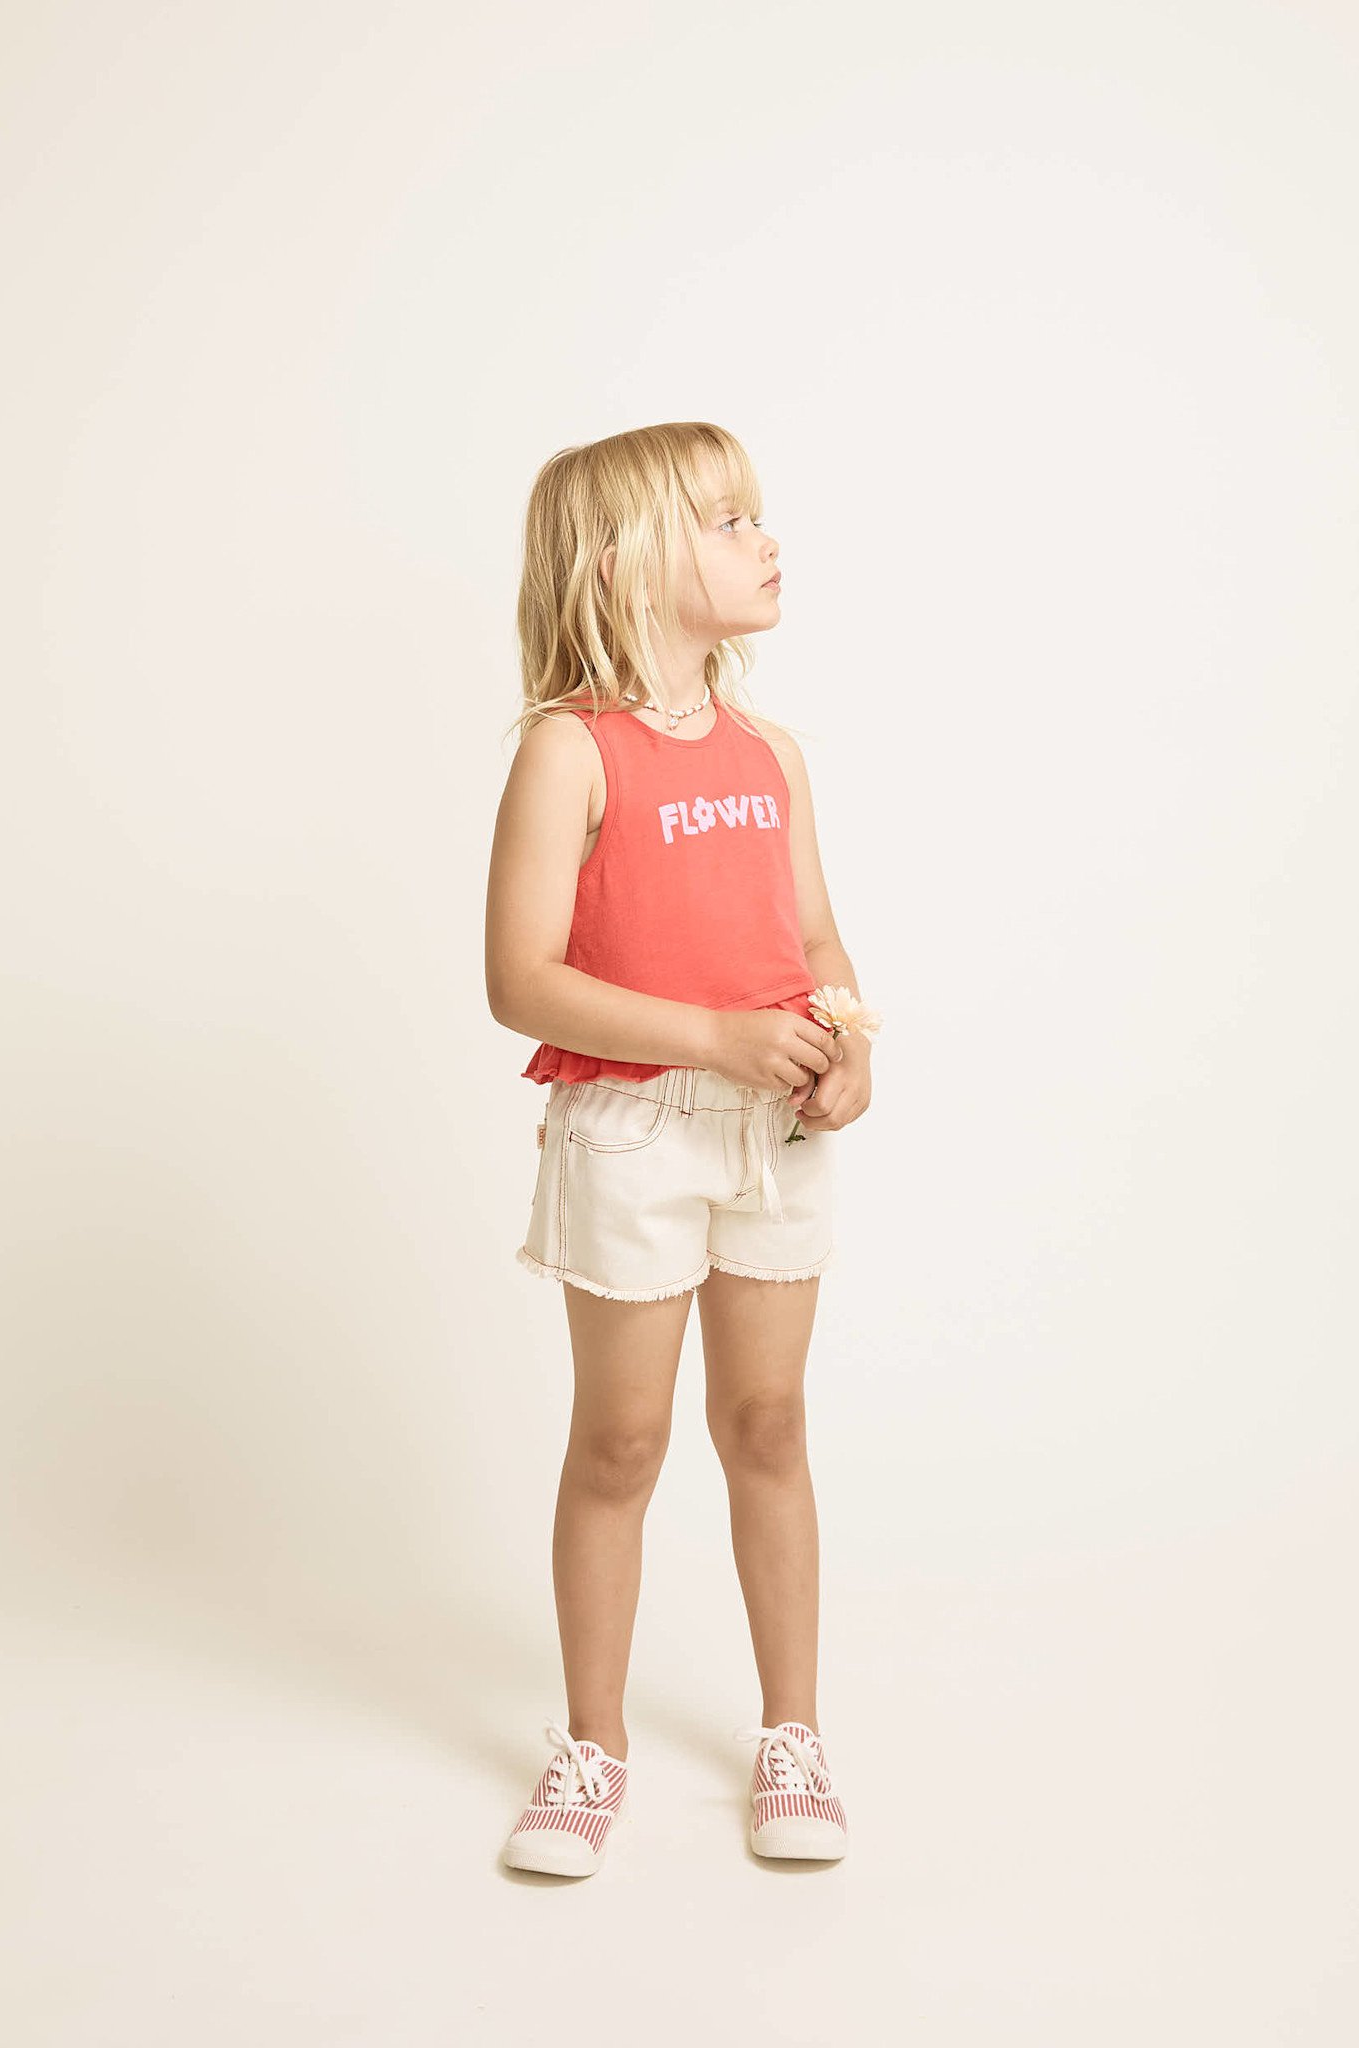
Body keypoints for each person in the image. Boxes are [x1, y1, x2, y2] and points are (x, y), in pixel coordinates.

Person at [484, 421, 875, 1876]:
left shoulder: (773, 755)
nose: (765, 540)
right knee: (624, 1439)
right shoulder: (569, 752)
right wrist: (711, 1036)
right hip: (634, 1127)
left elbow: (814, 938)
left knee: (768, 1425)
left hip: (775, 1126)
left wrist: (849, 1044)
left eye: (754, 515)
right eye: (726, 520)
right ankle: (591, 1744)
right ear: (621, 562)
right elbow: (520, 980)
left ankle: (795, 1733)